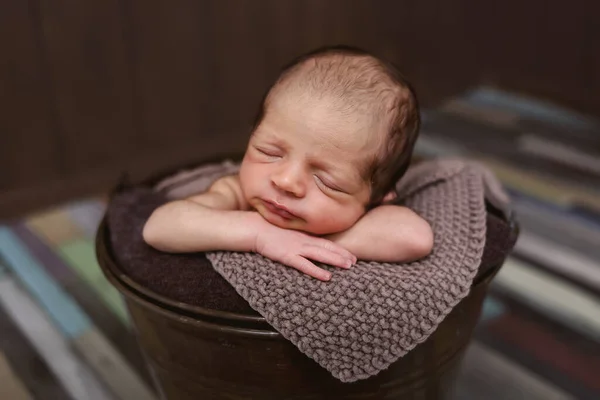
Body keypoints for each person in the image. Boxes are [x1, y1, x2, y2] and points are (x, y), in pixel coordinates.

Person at [143, 46, 433, 281]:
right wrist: (259, 234)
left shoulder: (369, 213)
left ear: (377, 198)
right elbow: (160, 226)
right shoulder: (236, 192)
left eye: (327, 181)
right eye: (269, 152)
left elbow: (414, 238)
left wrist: (310, 243)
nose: (286, 182)